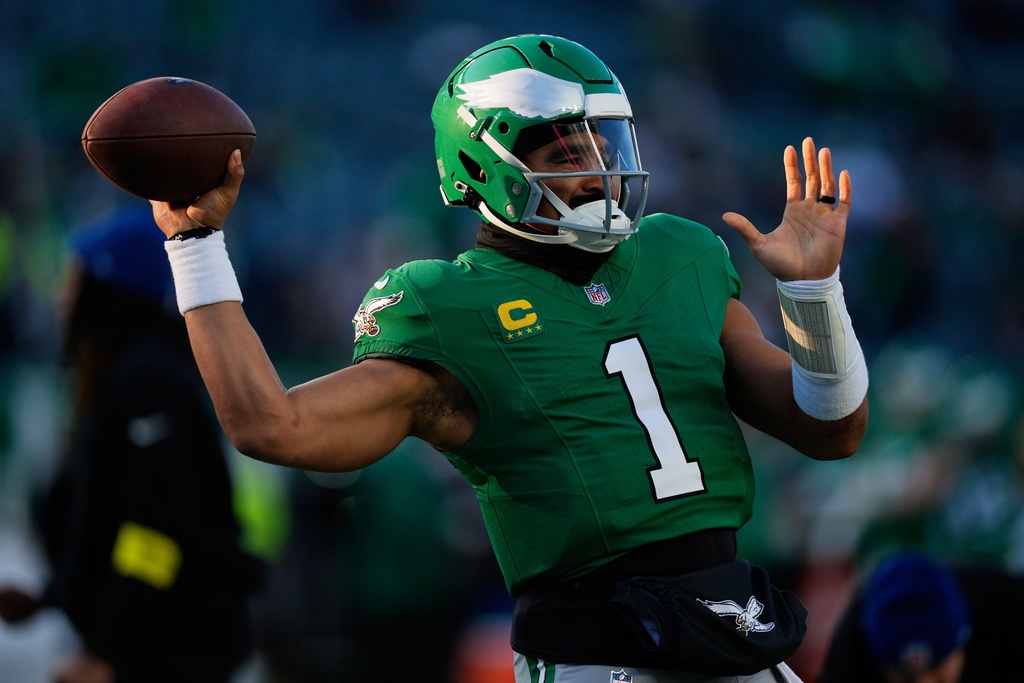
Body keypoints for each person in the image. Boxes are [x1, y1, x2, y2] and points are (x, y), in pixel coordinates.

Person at [147, 34, 869, 683]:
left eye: (604, 146)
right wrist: (196, 247)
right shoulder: (447, 305)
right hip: (597, 652)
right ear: (481, 164)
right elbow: (270, 424)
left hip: (731, 628)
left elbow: (831, 429)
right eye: (565, 152)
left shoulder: (681, 255)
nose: (598, 173)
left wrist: (814, 291)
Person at [0, 206, 264, 683]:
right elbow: (113, 518)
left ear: (106, 288)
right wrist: (51, 596)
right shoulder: (131, 375)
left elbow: (154, 531)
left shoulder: (147, 382)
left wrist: (110, 656)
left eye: (73, 278)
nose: (62, 295)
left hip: (172, 656)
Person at [818, 550, 1024, 683]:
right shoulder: (850, 655)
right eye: (907, 679)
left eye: (938, 669)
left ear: (964, 639)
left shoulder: (1007, 609)